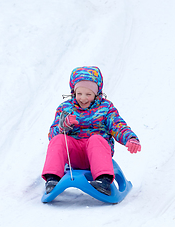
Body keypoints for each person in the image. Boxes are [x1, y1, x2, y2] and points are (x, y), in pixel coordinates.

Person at [42, 66, 141, 196]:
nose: (83, 98)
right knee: (59, 139)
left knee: (96, 139)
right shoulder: (65, 108)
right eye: (79, 94)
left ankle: (103, 180)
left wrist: (130, 138)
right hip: (74, 155)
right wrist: (63, 126)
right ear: (73, 92)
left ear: (97, 93)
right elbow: (52, 136)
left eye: (88, 94)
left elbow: (117, 125)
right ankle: (52, 179)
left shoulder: (106, 108)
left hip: (97, 154)